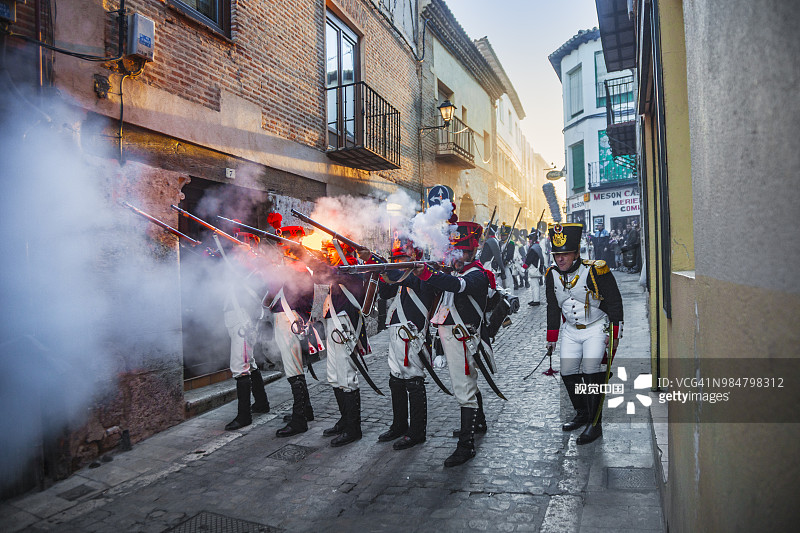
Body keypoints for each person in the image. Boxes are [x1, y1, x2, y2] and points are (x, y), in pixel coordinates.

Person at [414, 219, 495, 467]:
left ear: (472, 252)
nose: (455, 257)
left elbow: (458, 287)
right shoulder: (455, 271)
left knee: (463, 389)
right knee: (467, 384)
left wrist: (428, 273)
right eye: (453, 252)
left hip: (465, 338)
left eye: (460, 252)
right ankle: (478, 422)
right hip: (452, 337)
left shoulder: (478, 275)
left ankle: (466, 444)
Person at [544, 223, 623, 445]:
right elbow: (553, 306)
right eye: (557, 255)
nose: (560, 259)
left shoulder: (596, 270)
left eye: (565, 254)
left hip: (595, 327)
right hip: (570, 330)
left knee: (591, 372)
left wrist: (615, 333)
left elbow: (615, 301)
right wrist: (551, 337)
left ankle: (595, 423)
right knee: (568, 373)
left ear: (577, 252)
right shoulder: (551, 275)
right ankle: (582, 413)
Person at [376, 238, 440, 450]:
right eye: (396, 260)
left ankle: (417, 432)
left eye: (401, 259)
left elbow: (402, 278)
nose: (398, 263)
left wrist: (378, 262)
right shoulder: (402, 277)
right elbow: (384, 293)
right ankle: (399, 425)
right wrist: (382, 271)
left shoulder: (423, 276)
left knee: (413, 381)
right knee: (396, 380)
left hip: (413, 335)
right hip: (397, 333)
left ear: (414, 258)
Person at [316, 241, 372, 447]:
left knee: (347, 377)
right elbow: (318, 276)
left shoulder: (353, 268)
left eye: (332, 250)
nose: (329, 254)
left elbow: (331, 273)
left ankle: (353, 428)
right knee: (334, 375)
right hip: (333, 323)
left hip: (345, 325)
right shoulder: (339, 268)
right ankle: (344, 420)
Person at [265, 221, 318, 438]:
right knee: (294, 368)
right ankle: (306, 410)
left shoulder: (298, 270)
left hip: (290, 322)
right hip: (287, 321)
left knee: (294, 370)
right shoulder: (291, 269)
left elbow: (270, 290)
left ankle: (299, 420)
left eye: (285, 246)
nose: (281, 250)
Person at [221, 228, 271, 431]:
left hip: (244, 320)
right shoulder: (243, 266)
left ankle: (244, 416)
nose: (236, 249)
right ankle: (261, 403)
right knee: (249, 363)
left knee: (239, 366)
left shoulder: (254, 268)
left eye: (240, 246)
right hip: (239, 318)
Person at [479, 224, 506, 289]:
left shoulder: (490, 242)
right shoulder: (494, 240)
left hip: (488, 267)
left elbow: (483, 258)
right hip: (492, 267)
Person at [523, 231, 546, 306]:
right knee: (534, 285)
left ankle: (536, 300)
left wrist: (525, 266)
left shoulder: (533, 248)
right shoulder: (536, 246)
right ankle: (535, 299)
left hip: (534, 267)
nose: (529, 240)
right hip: (535, 267)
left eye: (530, 239)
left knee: (535, 285)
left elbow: (529, 259)